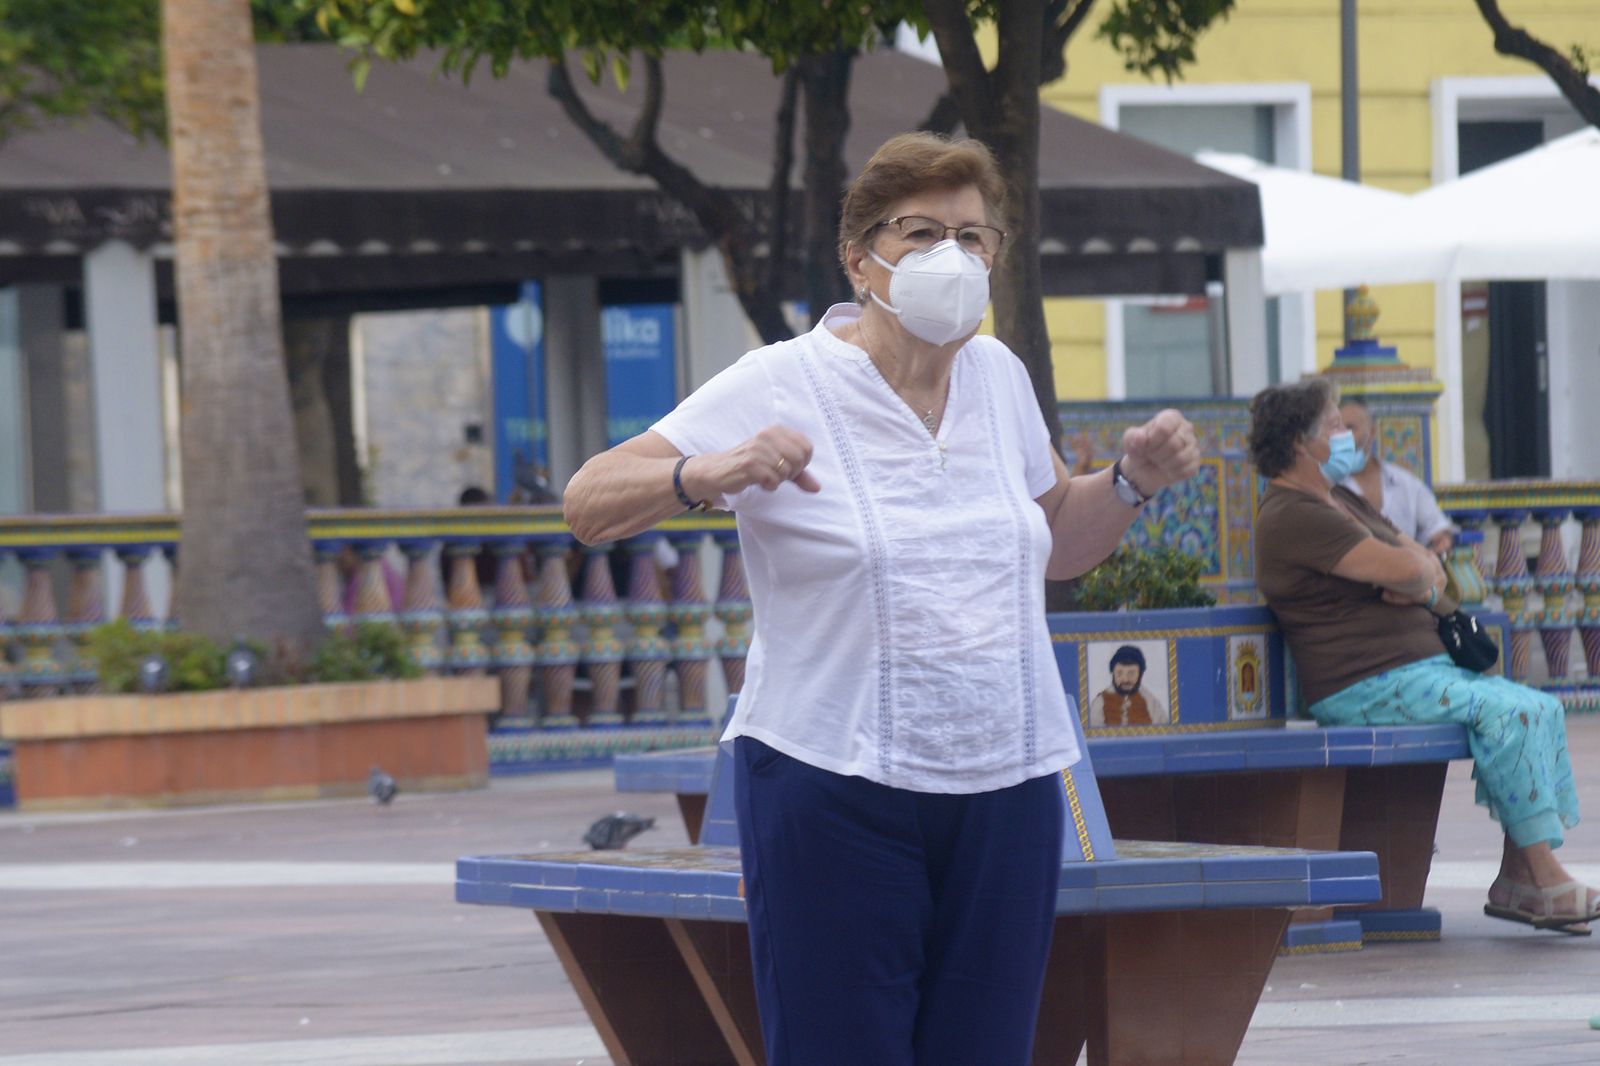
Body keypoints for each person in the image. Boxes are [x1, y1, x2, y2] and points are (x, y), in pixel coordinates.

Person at [563, 132, 1201, 1066]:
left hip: (1009, 782)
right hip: (833, 784)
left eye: (974, 238)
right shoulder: (781, 379)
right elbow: (587, 502)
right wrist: (708, 470)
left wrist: (1133, 482)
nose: (954, 257)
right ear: (860, 260)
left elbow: (1055, 537)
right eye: (923, 233)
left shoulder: (1000, 376)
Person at [1250, 377, 1597, 935]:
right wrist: (1415, 576)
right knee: (1508, 714)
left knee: (1541, 707)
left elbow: (1424, 563)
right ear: (1299, 442)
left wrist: (1416, 578)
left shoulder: (1340, 499)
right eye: (1335, 426)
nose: (1346, 436)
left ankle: (1521, 879)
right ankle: (1545, 876)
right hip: (1364, 684)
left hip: (1418, 671)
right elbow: (1411, 567)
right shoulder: (1293, 514)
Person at [1338, 396, 1455, 553]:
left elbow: (1436, 526)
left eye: (1350, 428)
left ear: (1372, 432)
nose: (1343, 437)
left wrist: (1441, 540)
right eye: (1337, 430)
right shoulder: (1328, 486)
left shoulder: (1404, 483)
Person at [1088, 644, 1169, 726]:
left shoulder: (1150, 702)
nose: (1125, 679)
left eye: (1131, 674)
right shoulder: (1100, 702)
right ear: (1113, 673)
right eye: (1119, 673)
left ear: (1140, 674)